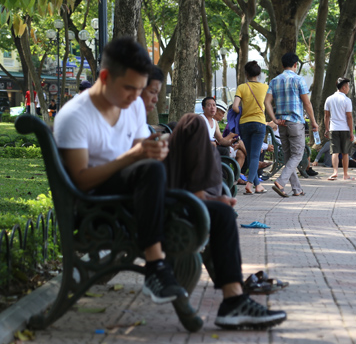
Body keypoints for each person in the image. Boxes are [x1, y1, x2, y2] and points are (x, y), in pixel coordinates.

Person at [54, 37, 186, 305]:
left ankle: (233, 298)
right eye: (128, 88)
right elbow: (80, 182)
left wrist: (155, 150)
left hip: (132, 196)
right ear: (104, 76)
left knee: (218, 216)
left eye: (140, 90)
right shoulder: (74, 116)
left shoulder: (133, 105)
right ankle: (156, 266)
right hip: (97, 208)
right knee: (151, 172)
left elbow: (140, 155)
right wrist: (135, 156)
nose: (135, 97)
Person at [164, 113, 287, 329]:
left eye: (154, 92)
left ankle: (234, 298)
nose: (153, 99)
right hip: (143, 202)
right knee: (194, 123)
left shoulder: (129, 113)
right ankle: (233, 300)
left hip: (162, 193)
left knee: (221, 211)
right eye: (151, 91)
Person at [265, 52, 319, 197]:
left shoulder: (274, 81)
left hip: (281, 124)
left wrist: (275, 119)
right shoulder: (298, 79)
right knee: (297, 155)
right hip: (295, 122)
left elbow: (267, 102)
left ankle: (297, 189)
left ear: (282, 65)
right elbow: (307, 103)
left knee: (290, 156)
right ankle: (281, 182)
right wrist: (313, 122)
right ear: (295, 65)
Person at [233, 61, 268, 195]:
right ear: (258, 73)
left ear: (246, 74)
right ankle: (250, 183)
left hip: (244, 124)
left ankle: (258, 186)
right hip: (259, 123)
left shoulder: (242, 87)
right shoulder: (265, 87)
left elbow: (235, 107)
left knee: (250, 155)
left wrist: (244, 111)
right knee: (254, 155)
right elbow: (268, 104)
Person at [324, 77, 354, 181]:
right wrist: (351, 131)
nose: (349, 89)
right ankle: (345, 174)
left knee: (335, 152)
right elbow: (349, 117)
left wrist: (326, 128)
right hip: (344, 129)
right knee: (345, 152)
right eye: (348, 87)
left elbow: (326, 116)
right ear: (344, 87)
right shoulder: (347, 100)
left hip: (333, 128)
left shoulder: (329, 99)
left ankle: (335, 172)